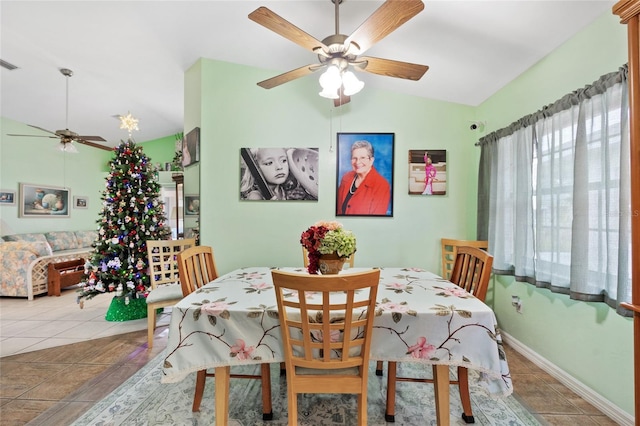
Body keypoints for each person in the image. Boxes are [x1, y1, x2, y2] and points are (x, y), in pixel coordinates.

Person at [337, 140, 391, 215]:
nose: (357, 162)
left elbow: (376, 220)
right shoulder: (346, 177)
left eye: (362, 158)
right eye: (354, 158)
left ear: (371, 160)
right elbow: (337, 210)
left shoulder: (382, 185)